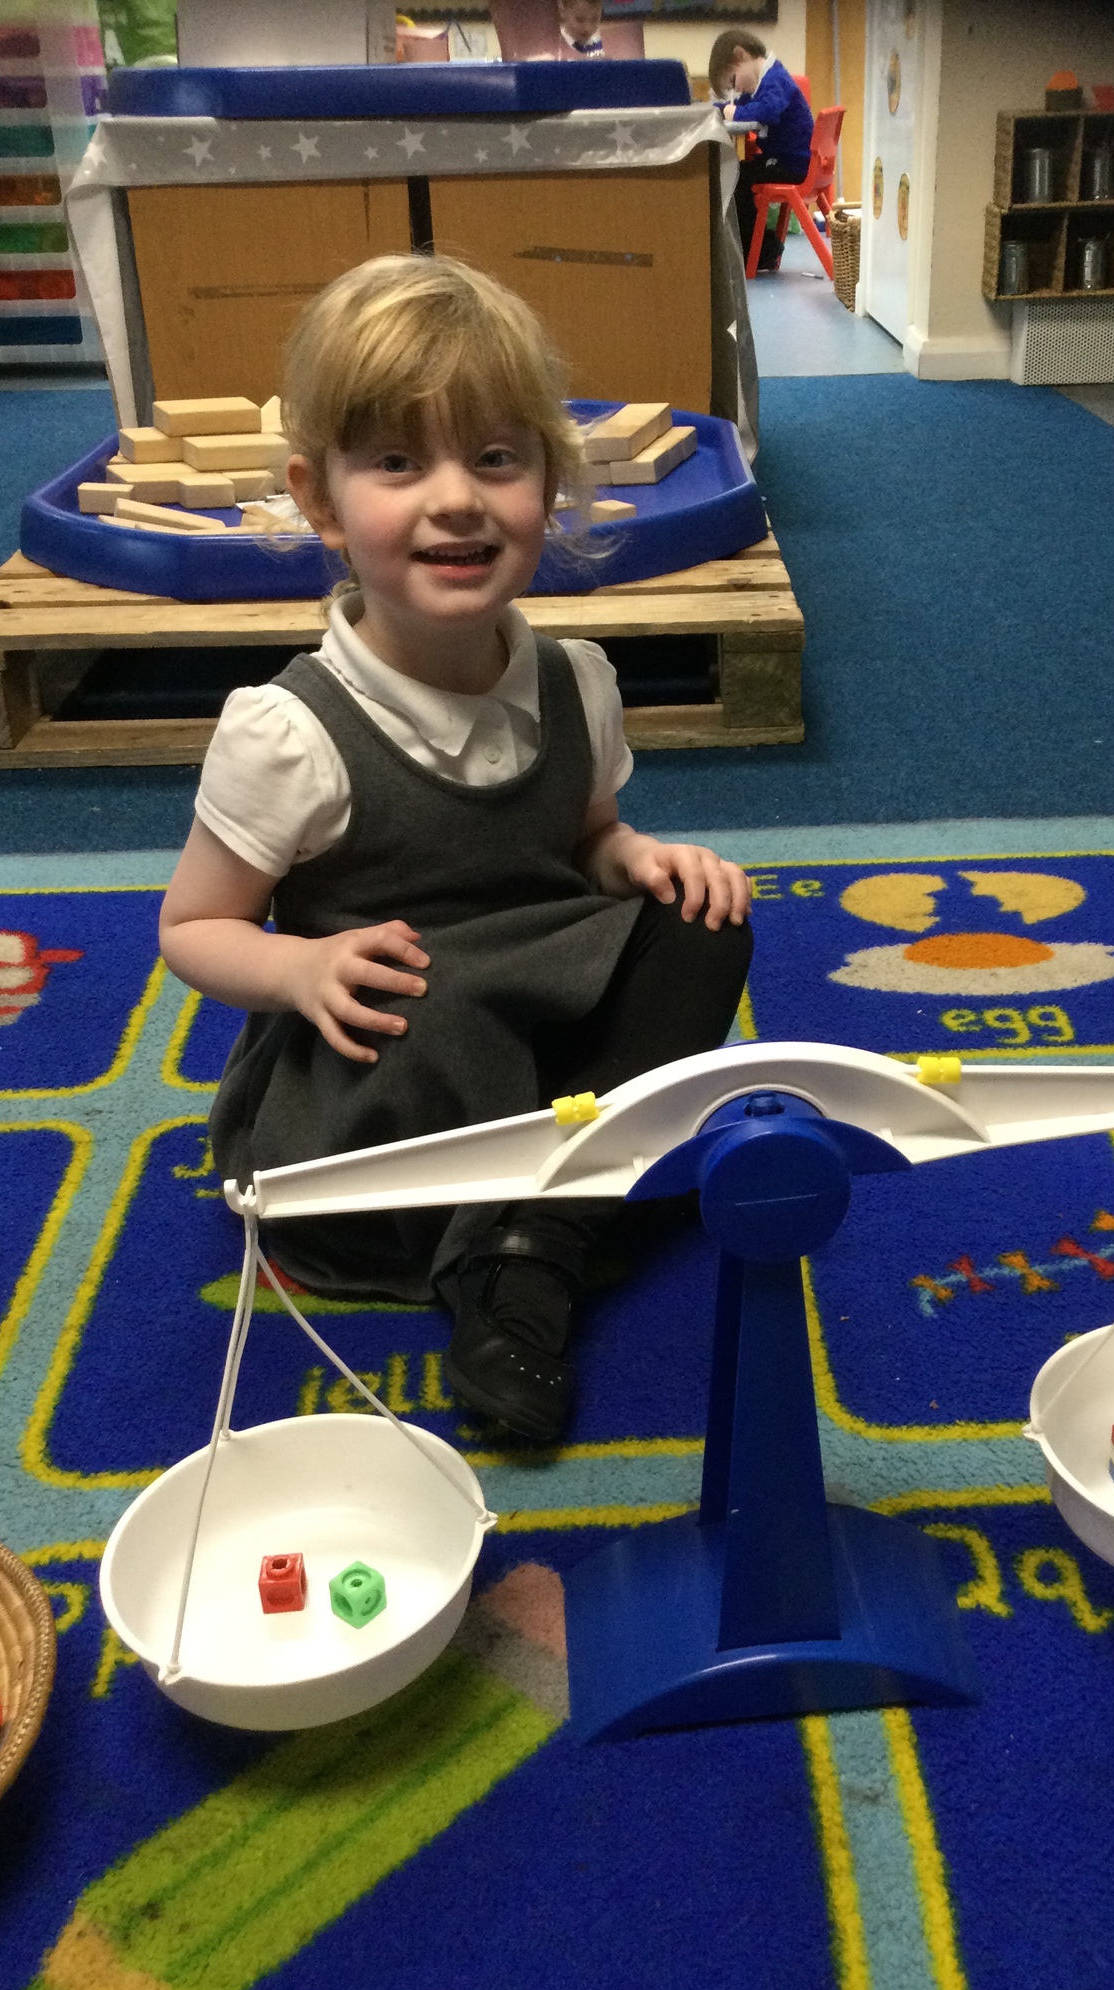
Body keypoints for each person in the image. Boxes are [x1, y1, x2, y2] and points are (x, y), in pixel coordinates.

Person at [159, 254, 753, 1444]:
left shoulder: (577, 680)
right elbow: (193, 927)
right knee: (432, 1000)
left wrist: (635, 858)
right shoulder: (290, 732)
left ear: (550, 481)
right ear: (321, 501)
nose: (456, 499)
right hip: (392, 1068)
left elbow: (583, 839)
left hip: (533, 1005)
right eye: (397, 462)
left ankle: (532, 1237)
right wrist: (301, 968)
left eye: (494, 458)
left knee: (705, 922)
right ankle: (533, 1243)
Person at [708, 29, 814, 272]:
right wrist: (718, 108)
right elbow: (747, 105)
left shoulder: (775, 79)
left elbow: (767, 110)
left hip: (791, 164)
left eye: (733, 81)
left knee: (737, 178)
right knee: (738, 174)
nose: (737, 90)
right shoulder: (769, 80)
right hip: (786, 161)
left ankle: (762, 249)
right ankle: (760, 247)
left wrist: (732, 112)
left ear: (741, 55)